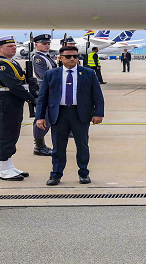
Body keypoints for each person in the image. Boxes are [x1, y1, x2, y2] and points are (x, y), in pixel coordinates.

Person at [36, 45, 105, 186]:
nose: (72, 59)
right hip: (58, 114)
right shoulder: (51, 74)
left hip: (80, 113)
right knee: (58, 147)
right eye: (68, 56)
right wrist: (40, 116)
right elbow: (43, 97)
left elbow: (97, 95)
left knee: (82, 145)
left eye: (75, 56)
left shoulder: (88, 73)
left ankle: (84, 173)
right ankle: (56, 174)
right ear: (60, 58)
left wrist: (98, 113)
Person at [0, 35, 38, 181]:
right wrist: (31, 98)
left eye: (14, 46)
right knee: (5, 136)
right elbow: (14, 86)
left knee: (12, 134)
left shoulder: (12, 62)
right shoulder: (0, 64)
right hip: (5, 101)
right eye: (10, 46)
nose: (14, 48)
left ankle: (8, 166)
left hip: (13, 102)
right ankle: (3, 170)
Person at [31, 34, 56, 156]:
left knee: (49, 117)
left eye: (48, 44)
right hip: (45, 90)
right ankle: (39, 146)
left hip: (51, 90)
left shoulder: (46, 57)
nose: (47, 46)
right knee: (43, 118)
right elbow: (44, 75)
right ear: (36, 45)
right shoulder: (38, 58)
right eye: (44, 44)